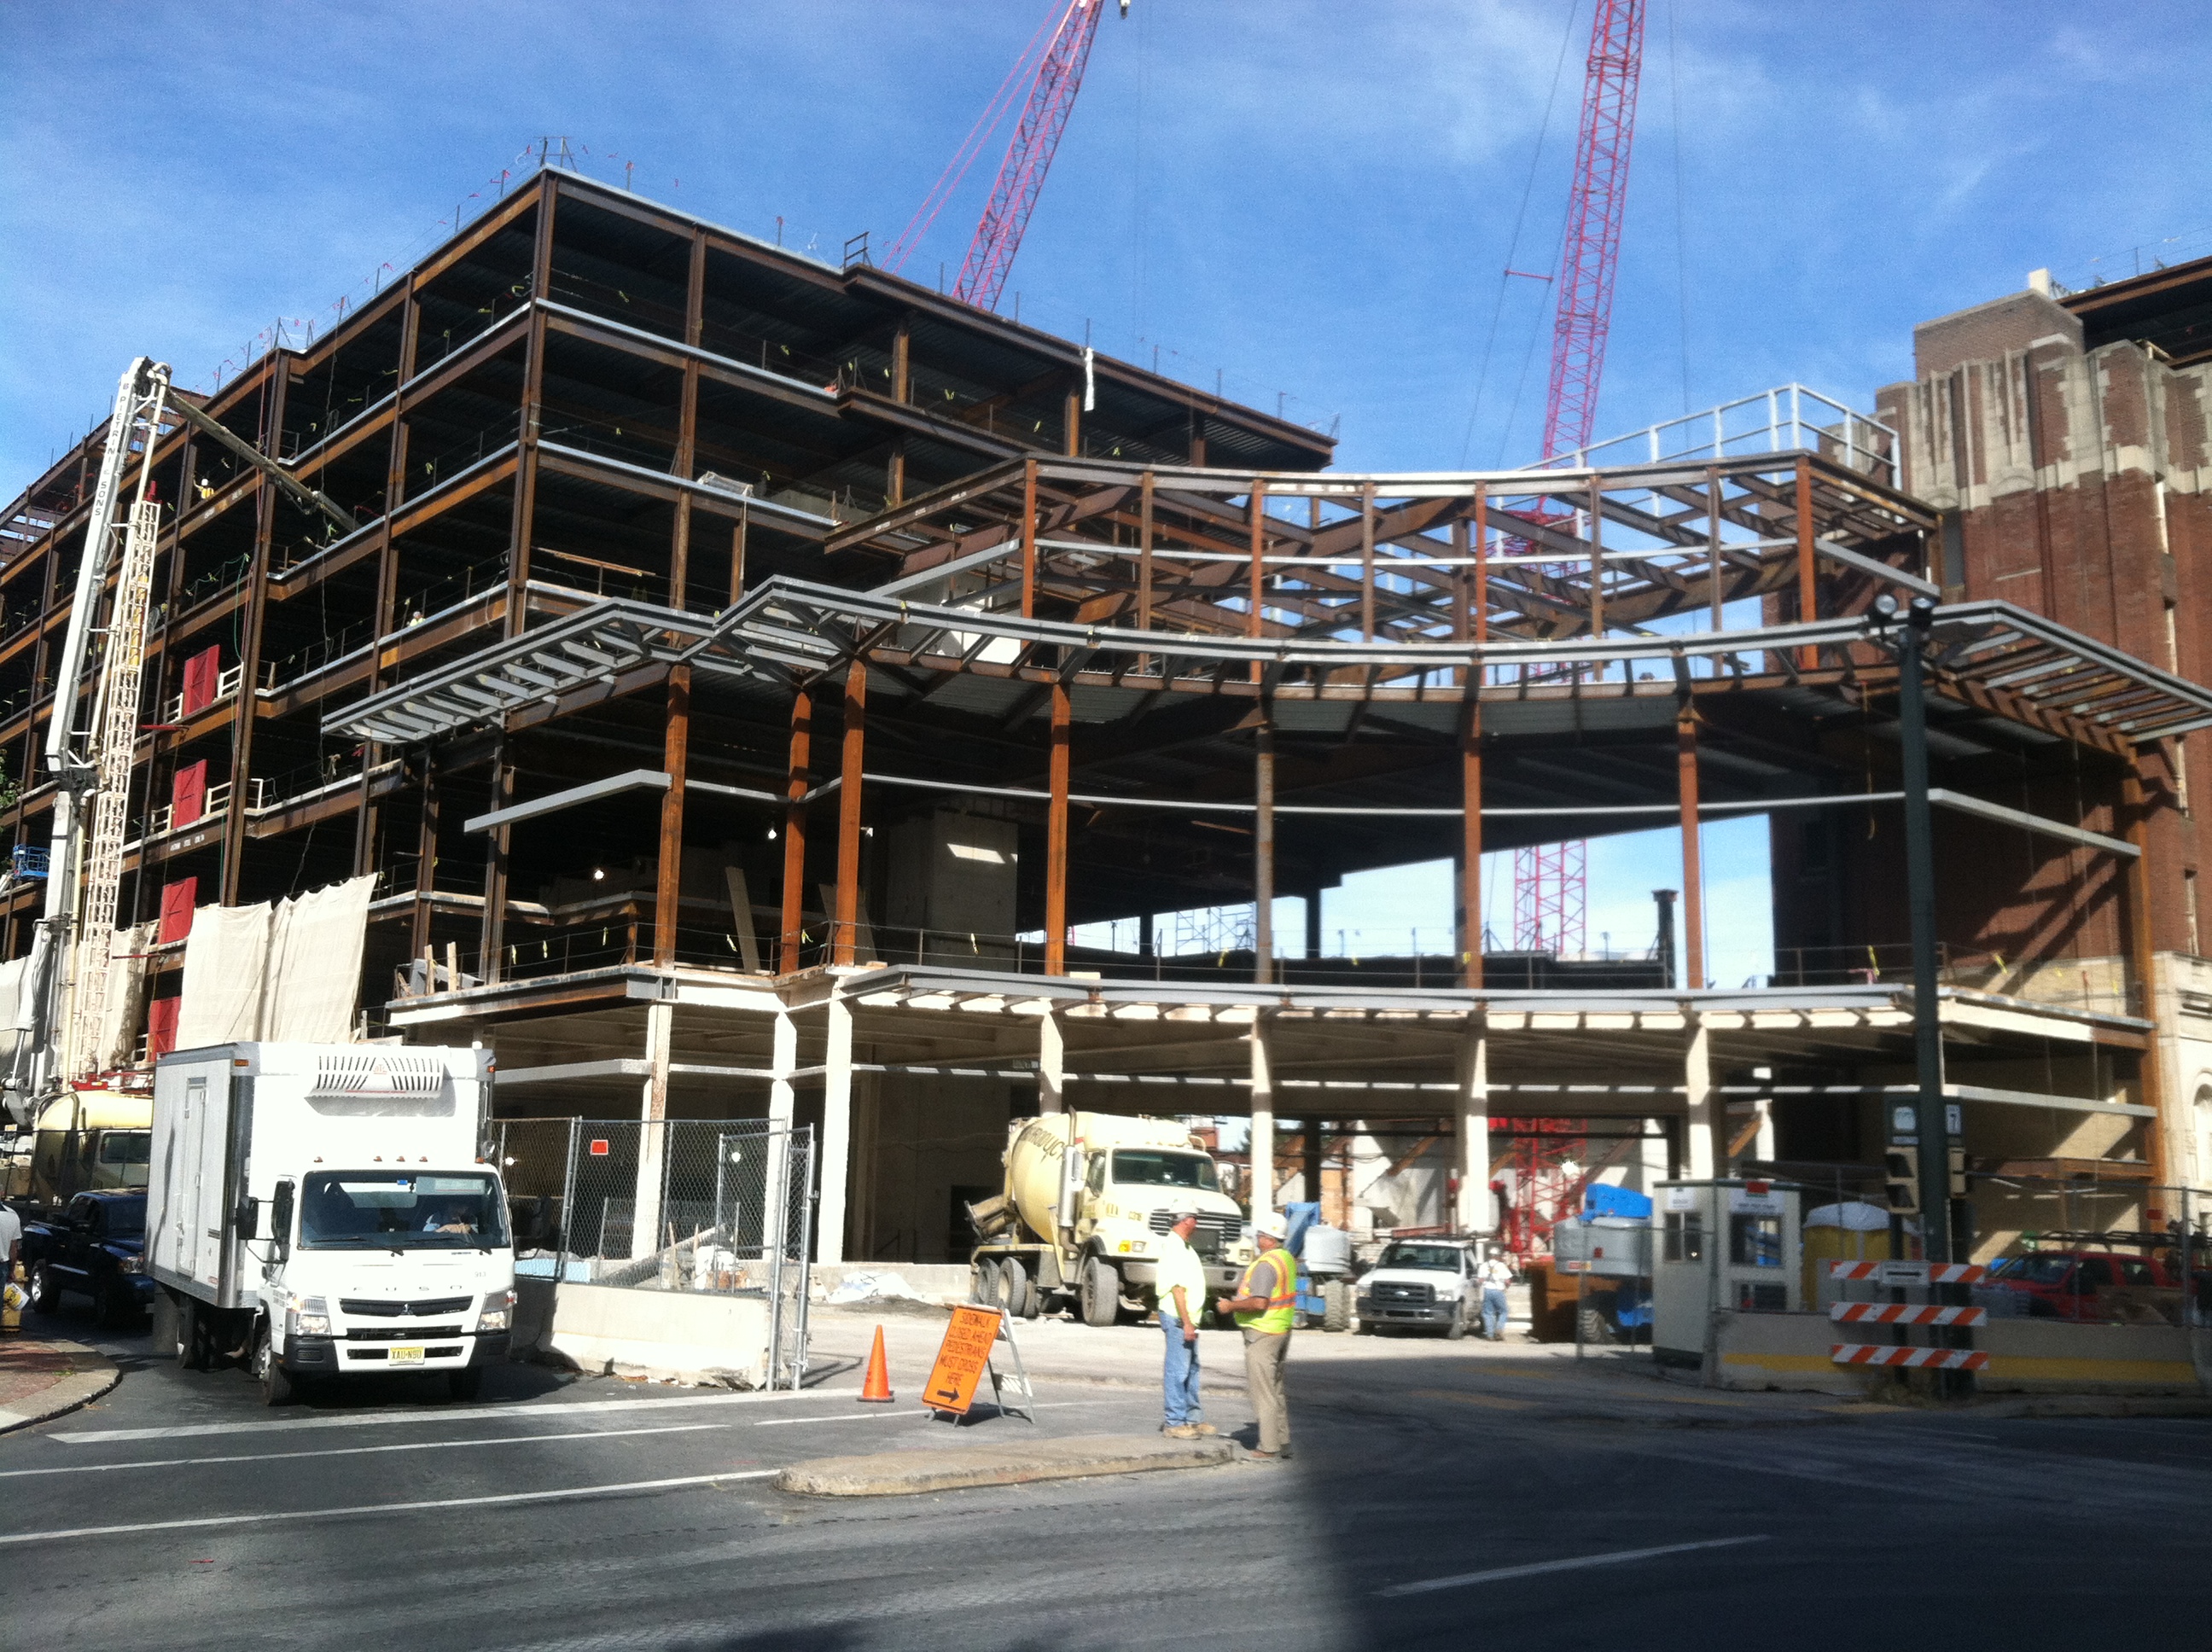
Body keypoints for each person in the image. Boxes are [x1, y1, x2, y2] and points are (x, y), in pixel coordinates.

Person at [1216, 1210, 1298, 1460]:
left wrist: (1230, 1307)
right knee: (1275, 1389)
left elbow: (1260, 1303)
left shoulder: (1266, 1265)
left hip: (1263, 1332)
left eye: (1259, 1234)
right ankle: (1282, 1442)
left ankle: (1268, 1446)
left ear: (1267, 1238)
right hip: (1281, 1329)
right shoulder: (1286, 1258)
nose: (1256, 1238)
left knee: (1263, 1393)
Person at [1154, 1207, 1213, 1439]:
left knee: (1191, 1369)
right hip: (1179, 1317)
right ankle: (1175, 1422)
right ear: (1186, 1220)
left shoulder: (1184, 1246)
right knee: (1178, 1370)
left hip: (1188, 1318)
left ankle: (1192, 1418)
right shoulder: (1174, 1247)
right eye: (1195, 1218)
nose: (1197, 1223)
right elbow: (1177, 1288)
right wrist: (1186, 1322)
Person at [1477, 1248, 1515, 1341]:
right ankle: (1499, 1329)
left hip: (1487, 1291)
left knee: (1488, 1313)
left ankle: (1490, 1335)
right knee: (1503, 1311)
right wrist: (1507, 1287)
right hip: (1498, 1290)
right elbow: (1508, 1281)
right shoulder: (1501, 1266)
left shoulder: (1483, 1265)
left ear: (1489, 1255)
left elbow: (1480, 1281)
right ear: (1497, 1256)